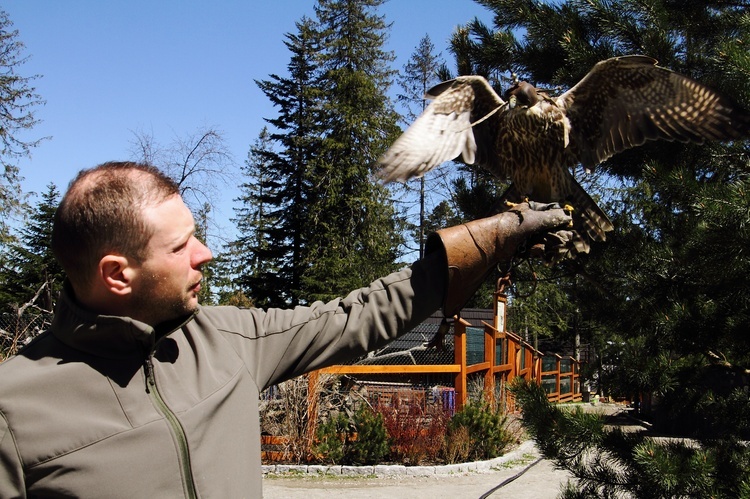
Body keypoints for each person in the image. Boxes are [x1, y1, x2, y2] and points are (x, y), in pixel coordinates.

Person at [0, 161, 571, 498]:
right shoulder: (13, 411)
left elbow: (359, 316)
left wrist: (486, 241)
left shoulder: (230, 340)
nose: (207, 253)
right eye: (181, 247)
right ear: (117, 275)